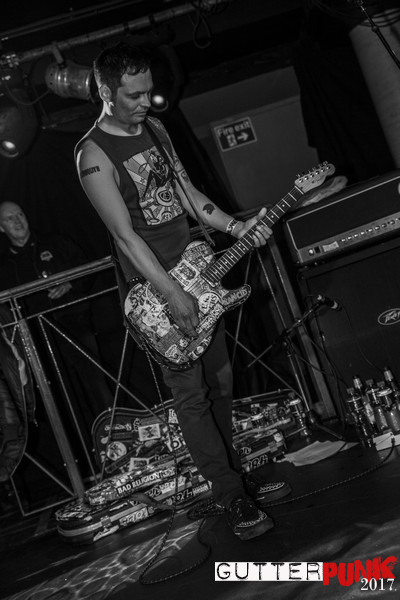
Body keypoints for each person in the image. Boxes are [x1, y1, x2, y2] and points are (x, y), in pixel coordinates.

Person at [75, 42, 291, 541]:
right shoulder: (93, 154)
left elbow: (187, 194)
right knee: (191, 395)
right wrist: (172, 293)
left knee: (221, 381)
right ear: (105, 92)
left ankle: (233, 478)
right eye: (132, 95)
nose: (144, 102)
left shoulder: (156, 127)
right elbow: (126, 237)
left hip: (200, 272)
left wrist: (237, 228)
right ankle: (232, 498)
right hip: (157, 293)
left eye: (148, 91)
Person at [0, 202, 113, 434]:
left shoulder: (56, 242)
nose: (18, 221)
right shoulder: (4, 266)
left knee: (96, 384)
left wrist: (69, 283)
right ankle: (85, 449)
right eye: (10, 218)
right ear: (1, 227)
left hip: (75, 326)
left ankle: (117, 435)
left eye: (20, 214)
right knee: (59, 399)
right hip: (36, 340)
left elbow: (88, 270)